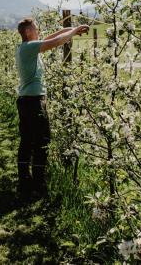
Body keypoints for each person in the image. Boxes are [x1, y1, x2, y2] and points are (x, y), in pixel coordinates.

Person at [15, 18, 89, 198]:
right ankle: (38, 186)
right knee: (42, 142)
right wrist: (73, 32)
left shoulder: (27, 47)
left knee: (27, 142)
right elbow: (55, 42)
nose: (38, 29)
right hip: (34, 102)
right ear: (27, 32)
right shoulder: (30, 48)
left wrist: (73, 29)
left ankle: (25, 183)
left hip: (26, 101)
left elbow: (51, 37)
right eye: (35, 27)